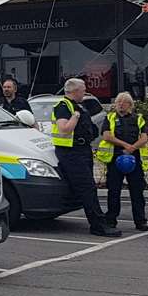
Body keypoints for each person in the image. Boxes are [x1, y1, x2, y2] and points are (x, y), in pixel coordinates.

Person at [51, 77, 120, 237]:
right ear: (74, 91)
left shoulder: (78, 106)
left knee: (88, 188)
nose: (85, 92)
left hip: (82, 150)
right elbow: (64, 129)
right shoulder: (63, 107)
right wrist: (75, 116)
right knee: (87, 188)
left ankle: (99, 222)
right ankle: (98, 226)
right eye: (83, 90)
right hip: (71, 153)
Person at [97, 91, 148, 232]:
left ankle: (140, 221)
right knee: (114, 191)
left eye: (124, 102)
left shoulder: (138, 119)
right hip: (115, 158)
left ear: (130, 105)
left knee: (137, 192)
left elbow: (144, 138)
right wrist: (125, 145)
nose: (120, 105)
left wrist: (133, 148)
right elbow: (107, 136)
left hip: (134, 159)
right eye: (118, 102)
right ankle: (111, 220)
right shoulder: (110, 118)